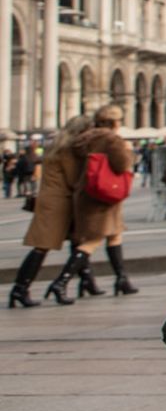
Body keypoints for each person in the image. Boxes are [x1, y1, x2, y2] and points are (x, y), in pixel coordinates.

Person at [8, 116, 92, 307]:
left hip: (52, 200)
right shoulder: (67, 150)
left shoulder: (55, 146)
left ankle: (86, 281)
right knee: (43, 246)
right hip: (59, 202)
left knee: (78, 242)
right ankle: (20, 289)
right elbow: (73, 178)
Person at [61, 105, 138, 298]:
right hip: (105, 194)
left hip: (87, 191)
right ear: (114, 122)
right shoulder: (112, 139)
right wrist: (129, 152)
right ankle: (61, 282)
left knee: (114, 235)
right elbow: (122, 165)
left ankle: (122, 279)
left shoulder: (84, 139)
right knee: (93, 240)